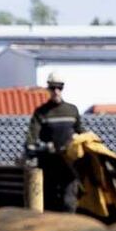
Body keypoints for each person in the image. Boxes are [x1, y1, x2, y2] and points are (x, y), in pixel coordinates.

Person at [25, 73, 84, 211]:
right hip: (49, 164)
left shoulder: (72, 110)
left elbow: (80, 130)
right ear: (48, 89)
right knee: (49, 201)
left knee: (69, 201)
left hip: (69, 165)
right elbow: (31, 139)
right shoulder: (41, 112)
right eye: (53, 88)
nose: (56, 91)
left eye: (59, 87)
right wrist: (44, 147)